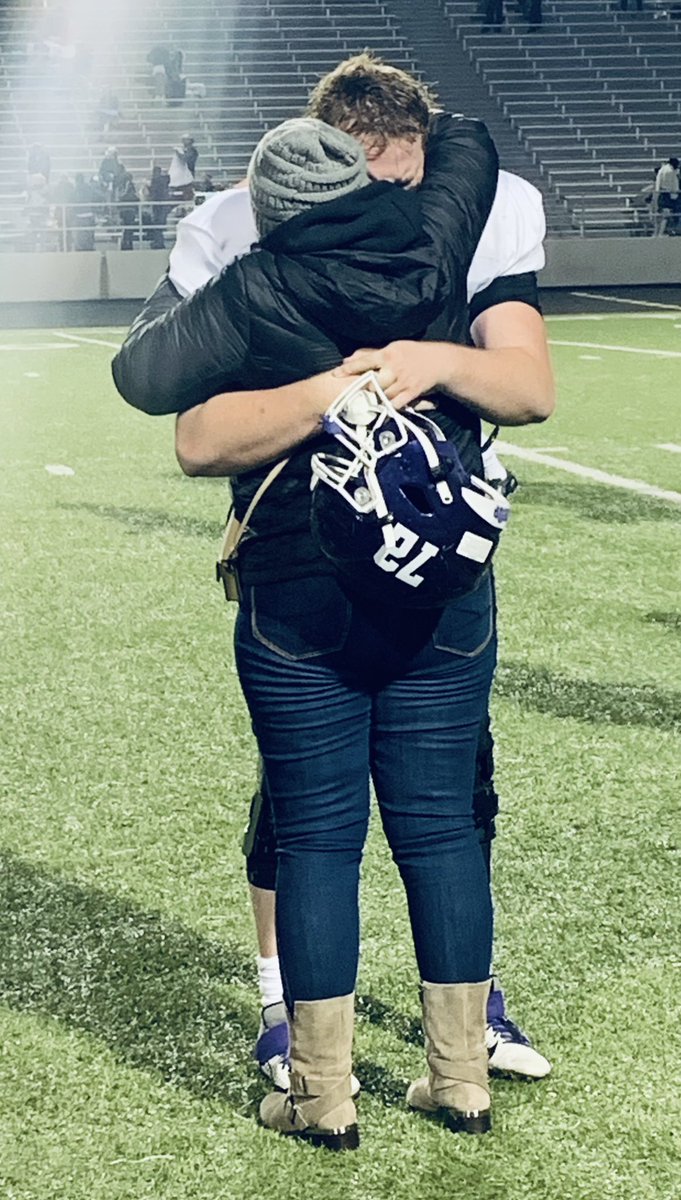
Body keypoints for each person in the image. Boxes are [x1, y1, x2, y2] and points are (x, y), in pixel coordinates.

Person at [114, 103, 542, 1146]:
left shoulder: (256, 281)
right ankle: (458, 1078)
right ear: (363, 178)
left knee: (315, 839)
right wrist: (417, 118)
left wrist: (268, 343)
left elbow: (145, 378)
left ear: (269, 209)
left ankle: (322, 1097)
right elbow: (472, 147)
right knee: (443, 831)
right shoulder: (434, 238)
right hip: (437, 573)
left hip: (300, 571)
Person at [653, 156, 680, 236]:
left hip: (662, 193)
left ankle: (657, 233)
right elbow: (673, 185)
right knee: (665, 215)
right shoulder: (670, 172)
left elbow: (658, 184)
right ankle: (660, 233)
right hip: (668, 194)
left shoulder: (662, 170)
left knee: (662, 215)